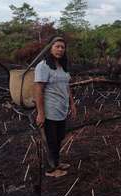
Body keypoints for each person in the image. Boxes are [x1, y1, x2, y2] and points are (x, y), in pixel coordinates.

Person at [34, 36, 77, 177]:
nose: (60, 49)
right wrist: (40, 113)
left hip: (62, 109)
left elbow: (67, 87)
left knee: (59, 137)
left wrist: (72, 104)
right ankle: (51, 169)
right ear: (50, 48)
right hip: (49, 110)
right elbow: (38, 90)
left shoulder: (63, 67)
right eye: (57, 46)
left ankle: (56, 162)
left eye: (62, 47)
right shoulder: (43, 66)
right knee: (51, 140)